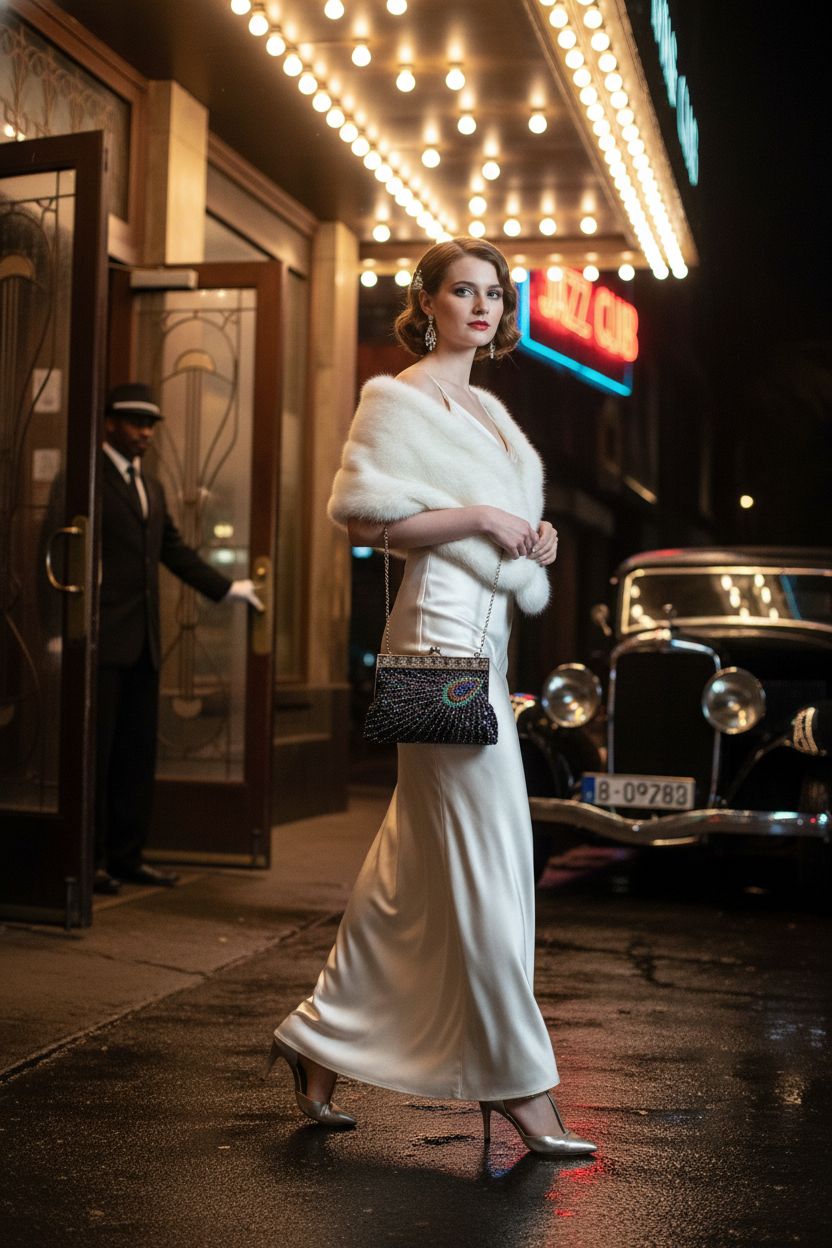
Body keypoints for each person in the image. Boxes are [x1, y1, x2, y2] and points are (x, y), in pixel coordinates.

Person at [265, 238, 597, 1158]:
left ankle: (318, 1045)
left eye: (495, 293)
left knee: (412, 863)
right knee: (493, 852)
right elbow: (364, 516)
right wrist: (481, 519)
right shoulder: (396, 397)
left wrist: (536, 538)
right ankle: (518, 1085)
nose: (483, 306)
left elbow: (503, 524)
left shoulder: (488, 409)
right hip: (435, 640)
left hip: (483, 645)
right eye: (464, 290)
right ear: (429, 302)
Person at [94, 383, 263, 895]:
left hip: (144, 641)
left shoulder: (151, 485)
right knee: (96, 756)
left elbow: (174, 551)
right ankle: (90, 861)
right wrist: (60, 633)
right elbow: (53, 551)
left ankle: (127, 858)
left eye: (150, 425)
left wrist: (228, 588)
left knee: (134, 755)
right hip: (98, 642)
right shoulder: (86, 477)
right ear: (110, 424)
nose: (144, 433)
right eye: (134, 423)